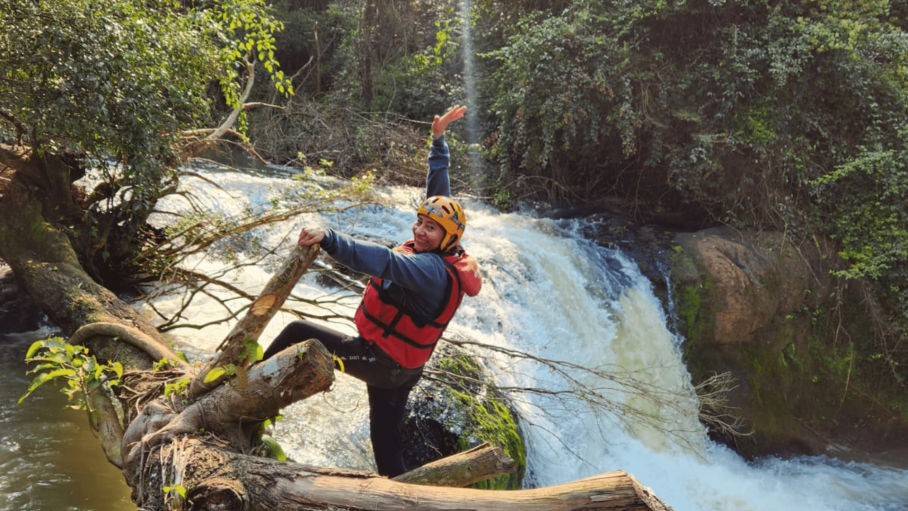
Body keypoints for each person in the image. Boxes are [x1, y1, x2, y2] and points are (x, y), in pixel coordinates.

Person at [263, 105, 482, 477]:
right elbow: (439, 196)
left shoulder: (428, 269)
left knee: (297, 333)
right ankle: (398, 497)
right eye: (419, 221)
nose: (419, 230)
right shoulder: (446, 250)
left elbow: (383, 262)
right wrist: (439, 142)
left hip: (382, 362)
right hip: (404, 368)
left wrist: (331, 238)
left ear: (449, 236)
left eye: (430, 227)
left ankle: (245, 392)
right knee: (385, 443)